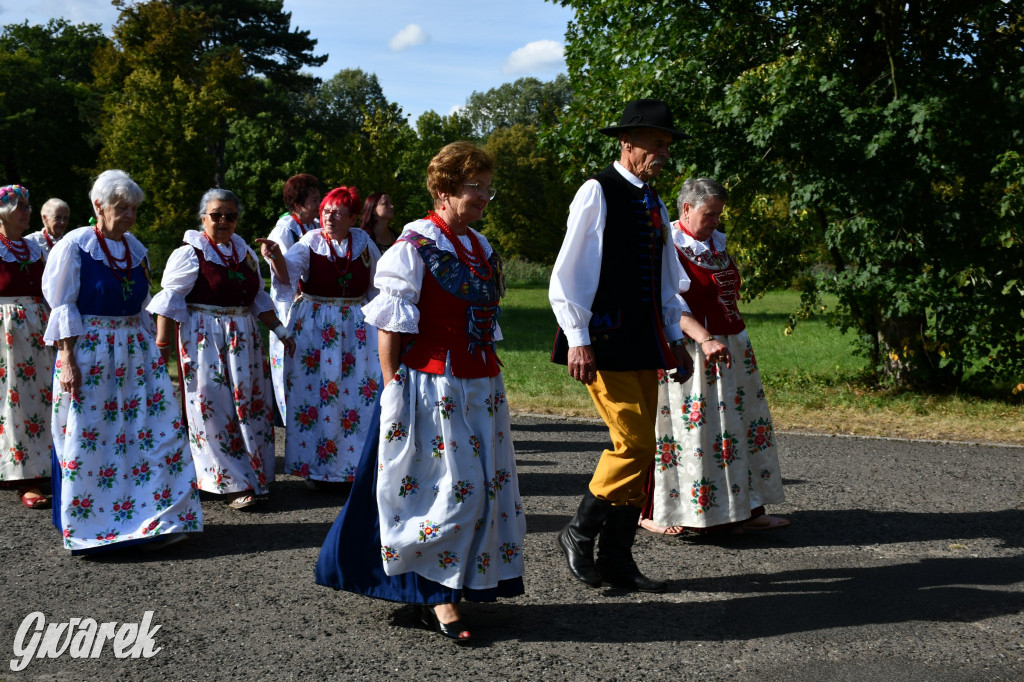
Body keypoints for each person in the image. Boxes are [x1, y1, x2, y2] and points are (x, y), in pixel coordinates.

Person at [316, 142, 525, 644]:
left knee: (485, 489)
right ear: (443, 190)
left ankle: (449, 584)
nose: (483, 196)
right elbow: (390, 327)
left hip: (478, 382)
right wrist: (392, 388)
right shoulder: (412, 248)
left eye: (486, 187)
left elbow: (485, 321)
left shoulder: (479, 246)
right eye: (474, 187)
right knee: (453, 488)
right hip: (431, 385)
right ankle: (439, 597)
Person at [549, 99, 693, 593]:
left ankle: (617, 558)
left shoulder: (654, 201)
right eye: (656, 144)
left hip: (644, 340)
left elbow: (666, 280)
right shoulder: (598, 191)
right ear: (628, 142)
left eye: (667, 146)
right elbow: (570, 272)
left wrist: (675, 337)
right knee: (632, 444)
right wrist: (578, 338)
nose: (662, 154)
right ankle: (579, 530)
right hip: (604, 340)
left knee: (644, 449)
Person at [43, 170, 202, 553]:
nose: (129, 215)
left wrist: (153, 348)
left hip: (135, 350)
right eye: (121, 207)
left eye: (133, 208)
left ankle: (157, 517)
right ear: (98, 206)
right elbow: (62, 304)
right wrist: (66, 357)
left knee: (151, 433)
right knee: (94, 438)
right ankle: (97, 522)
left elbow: (145, 304)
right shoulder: (75, 245)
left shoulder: (137, 248)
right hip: (91, 352)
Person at [639, 178, 787, 535]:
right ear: (686, 209)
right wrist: (705, 339)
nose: (715, 222)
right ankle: (665, 513)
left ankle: (744, 510)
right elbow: (668, 304)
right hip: (691, 348)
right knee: (691, 435)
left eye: (719, 215)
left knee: (737, 429)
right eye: (710, 214)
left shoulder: (715, 244)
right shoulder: (668, 246)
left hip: (732, 348)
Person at [149, 189, 293, 510]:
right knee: (212, 408)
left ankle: (250, 474)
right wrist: (162, 347)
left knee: (248, 407)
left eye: (230, 215)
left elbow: (258, 300)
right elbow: (169, 302)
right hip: (204, 339)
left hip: (244, 340)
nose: (224, 221)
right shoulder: (189, 253)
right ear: (203, 218)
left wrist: (283, 333)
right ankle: (228, 482)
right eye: (216, 215)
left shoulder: (245, 254)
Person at [260, 186, 382, 487]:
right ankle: (317, 468)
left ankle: (352, 467)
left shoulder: (364, 244)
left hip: (355, 327)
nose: (329, 216)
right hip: (315, 327)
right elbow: (286, 278)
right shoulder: (310, 241)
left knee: (354, 395)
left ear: (353, 217)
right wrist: (275, 257)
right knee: (316, 394)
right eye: (326, 210)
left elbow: (378, 288)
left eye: (337, 212)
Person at [0, 184, 54, 509]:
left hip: (37, 328)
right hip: (5, 332)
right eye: (20, 206)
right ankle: (23, 476)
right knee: (13, 398)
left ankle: (40, 465)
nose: (27, 211)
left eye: (28, 206)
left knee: (40, 398)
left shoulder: (35, 249)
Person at [265, 173, 322, 423]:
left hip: (311, 305)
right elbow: (286, 273)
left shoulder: (315, 224)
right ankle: (293, 421)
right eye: (314, 199)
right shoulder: (284, 229)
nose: (319, 204)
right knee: (292, 363)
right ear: (298, 204)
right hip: (290, 306)